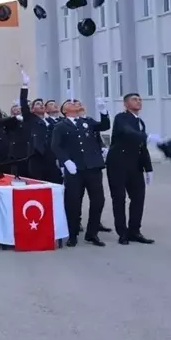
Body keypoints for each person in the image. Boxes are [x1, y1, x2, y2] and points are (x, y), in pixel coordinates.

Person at [51, 97, 111, 248]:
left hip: (93, 167)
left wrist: (103, 111)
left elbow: (104, 125)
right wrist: (66, 161)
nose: (76, 104)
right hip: (75, 170)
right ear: (65, 111)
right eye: (71, 103)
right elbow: (56, 146)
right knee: (73, 202)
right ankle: (72, 234)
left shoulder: (87, 121)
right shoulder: (61, 126)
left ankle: (92, 233)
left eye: (77, 102)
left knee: (98, 200)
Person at [105, 93, 158, 245]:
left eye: (140, 99)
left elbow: (142, 148)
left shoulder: (140, 122)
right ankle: (122, 232)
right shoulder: (121, 118)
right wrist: (146, 136)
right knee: (119, 198)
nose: (139, 101)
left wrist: (148, 169)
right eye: (135, 99)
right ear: (126, 104)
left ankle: (135, 230)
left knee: (138, 198)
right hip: (118, 164)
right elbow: (128, 132)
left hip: (135, 166)